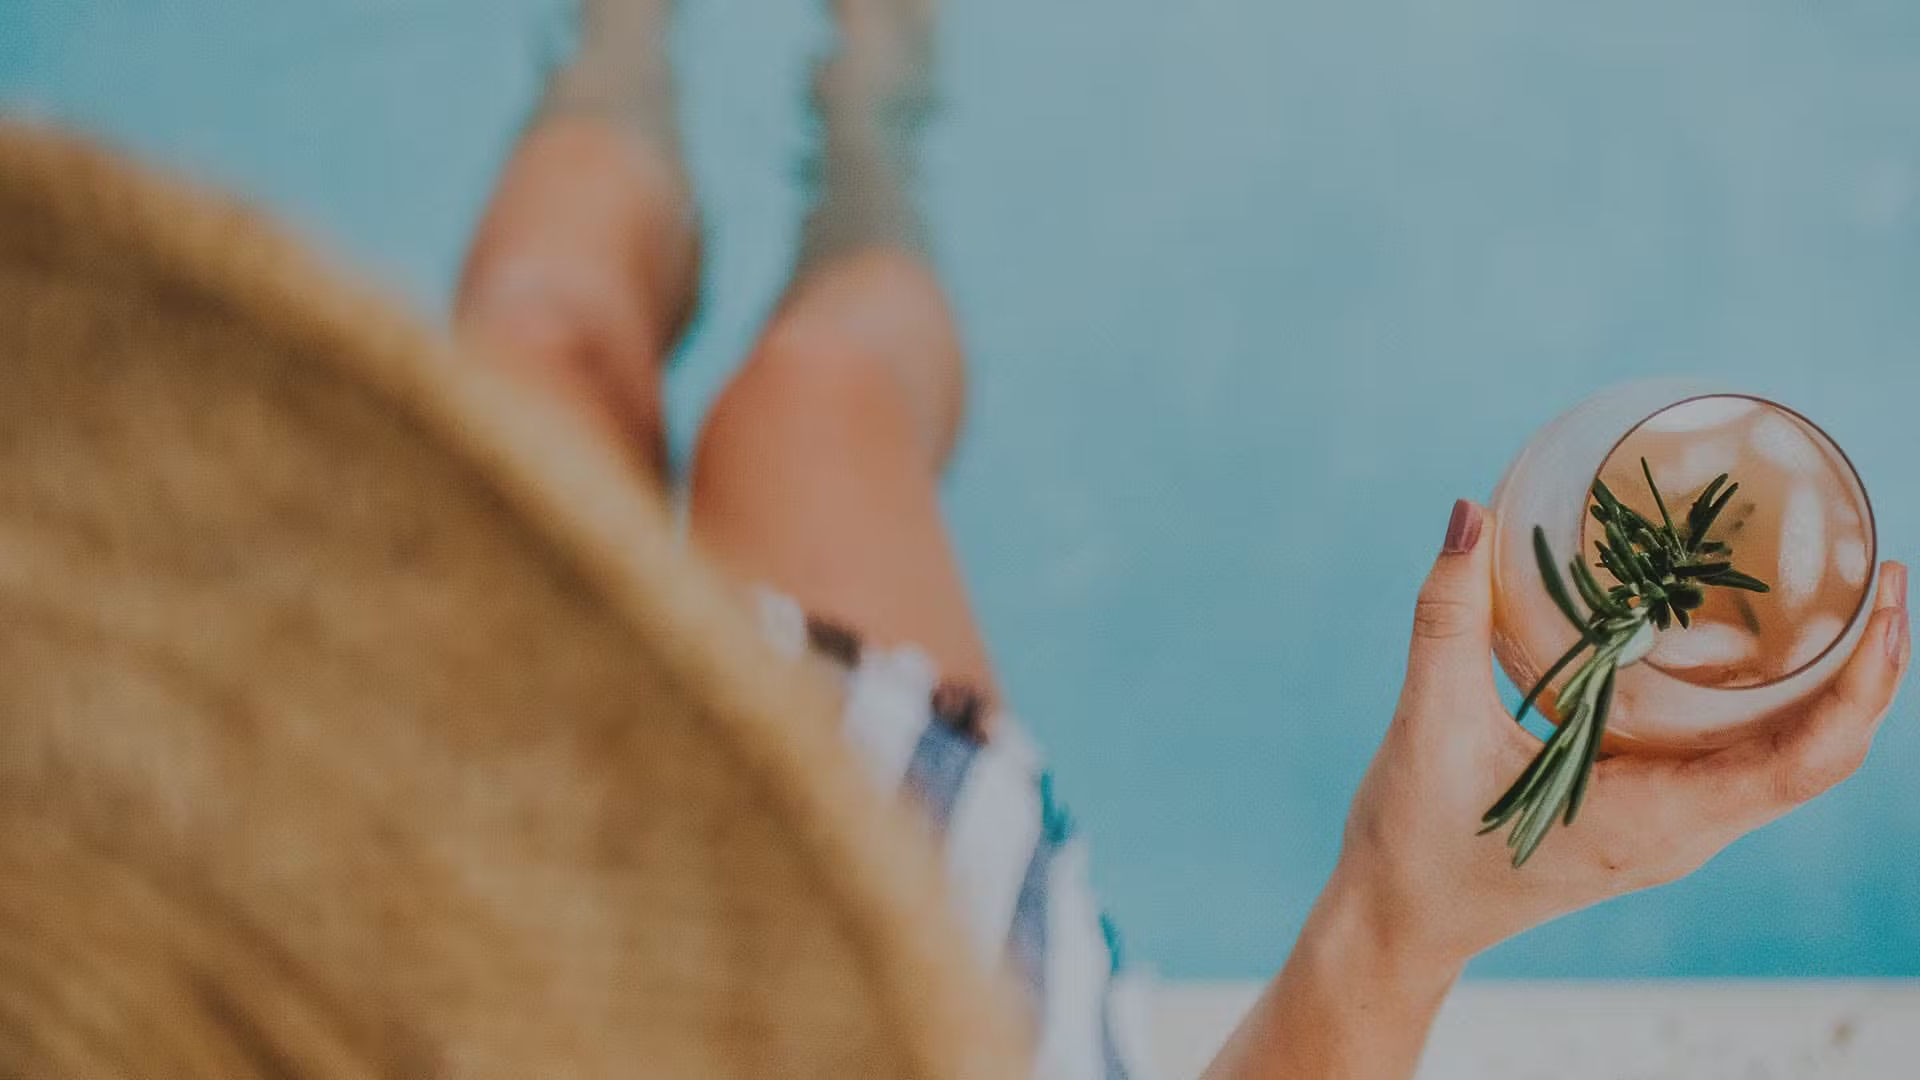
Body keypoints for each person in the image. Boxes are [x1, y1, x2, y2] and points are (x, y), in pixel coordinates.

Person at [452, 2, 1915, 1077]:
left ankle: (618, 44)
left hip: (463, 891)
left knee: (546, 344)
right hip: (925, 979)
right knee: (814, 394)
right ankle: (869, 113)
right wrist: (1405, 918)